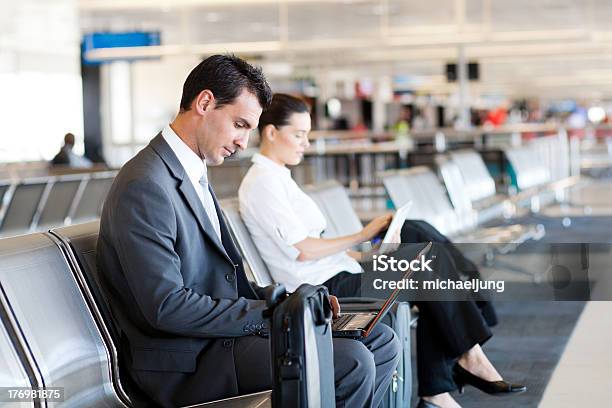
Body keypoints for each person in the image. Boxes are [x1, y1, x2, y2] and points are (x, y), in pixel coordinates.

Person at [96, 55, 400, 408]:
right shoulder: (146, 184)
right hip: (189, 363)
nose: (243, 142)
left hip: (221, 340)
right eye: (239, 124)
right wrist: (269, 316)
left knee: (379, 340)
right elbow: (165, 306)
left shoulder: (189, 172)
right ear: (205, 102)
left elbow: (228, 285)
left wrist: (288, 302)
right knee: (351, 362)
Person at [238, 93, 526, 408]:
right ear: (270, 133)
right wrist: (363, 234)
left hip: (338, 273)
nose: (305, 143)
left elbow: (312, 248)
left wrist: (365, 254)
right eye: (299, 134)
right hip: (325, 290)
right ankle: (461, 359)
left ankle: (454, 368)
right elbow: (304, 250)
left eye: (307, 134)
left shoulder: (279, 177)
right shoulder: (263, 183)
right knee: (428, 264)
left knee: (417, 232)